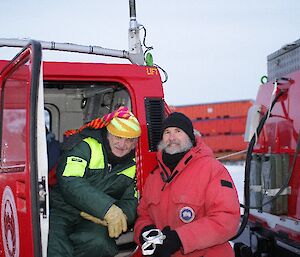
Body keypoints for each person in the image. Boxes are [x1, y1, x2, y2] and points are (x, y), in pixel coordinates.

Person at [134, 112, 240, 257]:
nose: (172, 137)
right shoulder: (154, 177)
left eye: (178, 131)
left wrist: (179, 239)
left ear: (190, 137)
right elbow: (143, 215)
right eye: (167, 132)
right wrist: (145, 231)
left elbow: (226, 219)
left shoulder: (212, 169)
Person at [47, 106, 141, 257]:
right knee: (54, 246)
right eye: (118, 137)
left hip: (97, 218)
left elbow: (132, 201)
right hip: (62, 209)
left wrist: (121, 216)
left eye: (129, 140)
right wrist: (107, 209)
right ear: (108, 134)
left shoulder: (136, 164)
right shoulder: (86, 146)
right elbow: (70, 181)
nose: (123, 145)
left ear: (135, 142)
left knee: (99, 243)